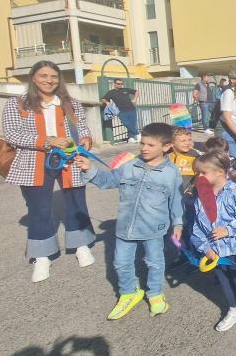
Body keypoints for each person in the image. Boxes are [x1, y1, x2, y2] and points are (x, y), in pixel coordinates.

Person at [76, 122, 183, 320]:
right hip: (126, 227)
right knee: (121, 263)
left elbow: (176, 200)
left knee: (154, 262)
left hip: (153, 228)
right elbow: (107, 180)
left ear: (166, 147)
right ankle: (129, 292)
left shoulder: (172, 173)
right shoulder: (130, 165)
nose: (144, 148)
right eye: (142, 143)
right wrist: (89, 169)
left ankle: (155, 295)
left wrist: (178, 223)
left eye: (151, 145)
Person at [2, 60, 95, 283]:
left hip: (70, 159)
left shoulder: (70, 103)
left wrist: (86, 138)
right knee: (39, 207)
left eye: (53, 76)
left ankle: (80, 244)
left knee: (76, 202)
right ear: (33, 78)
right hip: (34, 161)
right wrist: (47, 141)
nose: (49, 81)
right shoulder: (17, 104)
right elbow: (12, 135)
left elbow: (82, 126)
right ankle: (42, 254)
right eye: (43, 76)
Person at [190, 150, 236, 343]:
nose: (199, 177)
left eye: (203, 173)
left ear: (220, 172)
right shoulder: (200, 197)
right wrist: (205, 247)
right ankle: (233, 309)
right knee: (223, 279)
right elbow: (196, 226)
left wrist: (228, 230)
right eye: (198, 173)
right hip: (213, 250)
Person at [168, 127, 200, 266]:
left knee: (190, 226)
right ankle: (183, 253)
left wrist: (192, 186)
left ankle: (195, 254)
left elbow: (200, 174)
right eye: (182, 141)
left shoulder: (194, 155)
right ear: (172, 143)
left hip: (188, 198)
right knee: (176, 226)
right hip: (170, 198)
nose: (187, 143)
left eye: (189, 139)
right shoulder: (166, 156)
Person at [102, 78, 140, 143]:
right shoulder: (111, 92)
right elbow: (103, 99)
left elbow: (137, 91)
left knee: (132, 124)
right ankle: (138, 134)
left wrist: (135, 99)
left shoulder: (125, 89)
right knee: (126, 123)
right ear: (114, 84)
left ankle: (131, 138)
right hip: (121, 111)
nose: (120, 85)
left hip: (131, 109)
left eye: (121, 84)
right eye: (118, 84)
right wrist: (107, 102)